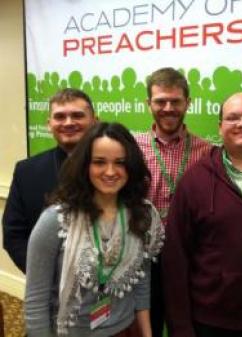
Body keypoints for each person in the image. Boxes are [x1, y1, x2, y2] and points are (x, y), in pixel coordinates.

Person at [162, 92, 242, 337]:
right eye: (233, 118)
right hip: (209, 322)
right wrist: (180, 328)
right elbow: (175, 259)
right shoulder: (194, 180)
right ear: (220, 127)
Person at [25, 122, 164, 337]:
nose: (110, 172)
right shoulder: (56, 220)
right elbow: (35, 303)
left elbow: (141, 283)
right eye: (99, 162)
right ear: (85, 166)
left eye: (120, 163)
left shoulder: (142, 215)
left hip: (126, 330)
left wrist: (147, 334)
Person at [135, 67, 212, 337]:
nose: (168, 108)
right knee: (148, 327)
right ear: (148, 104)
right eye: (160, 101)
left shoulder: (208, 153)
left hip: (191, 259)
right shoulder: (132, 148)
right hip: (144, 259)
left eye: (176, 101)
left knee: (188, 327)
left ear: (188, 103)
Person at [2, 88, 97, 273]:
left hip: (106, 287)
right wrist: (45, 277)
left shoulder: (115, 170)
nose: (68, 123)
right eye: (60, 117)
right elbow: (14, 235)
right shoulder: (26, 171)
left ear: (94, 121)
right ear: (49, 124)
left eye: (77, 115)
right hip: (49, 289)